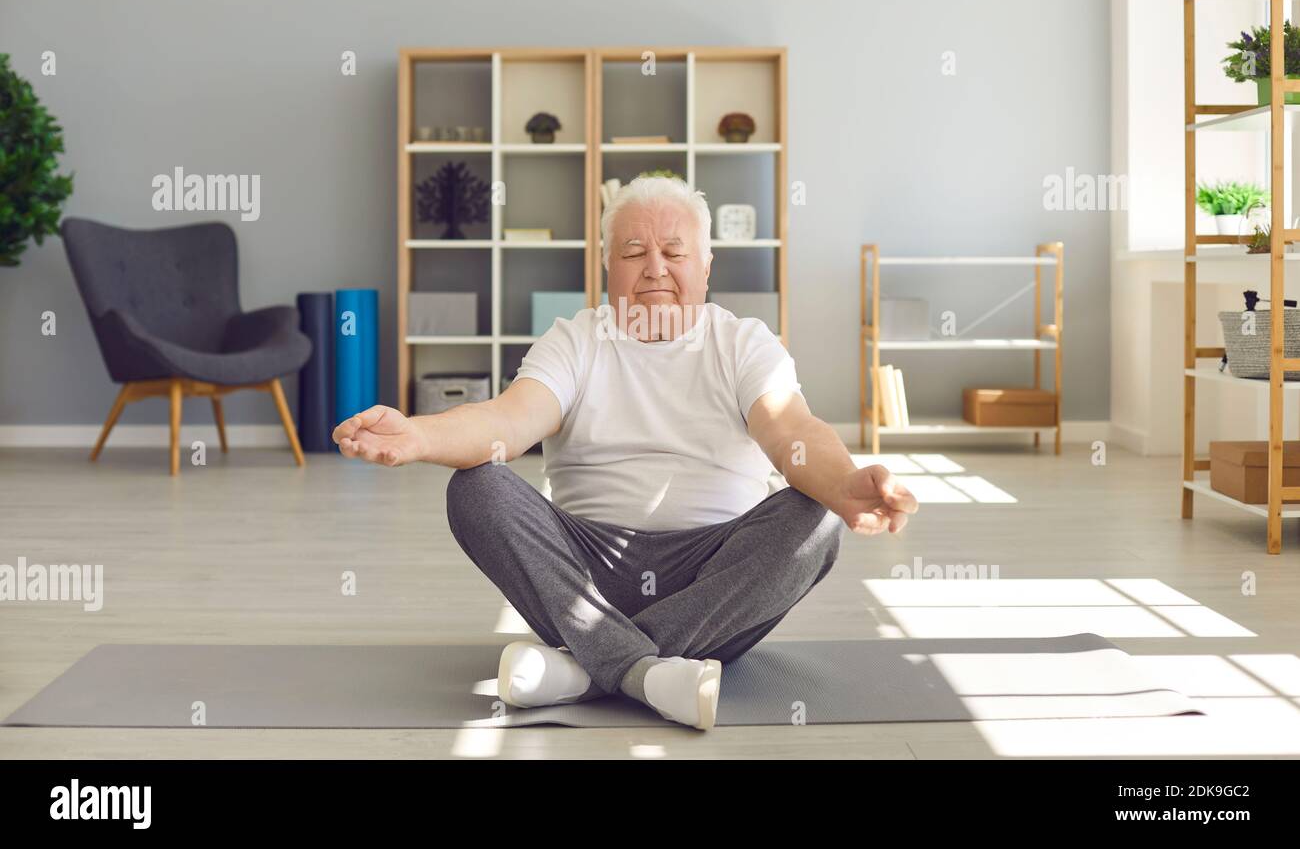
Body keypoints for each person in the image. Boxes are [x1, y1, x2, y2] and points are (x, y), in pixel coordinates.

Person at [334, 174, 918, 729]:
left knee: (813, 517)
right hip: (583, 573)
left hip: (713, 582)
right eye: (635, 252)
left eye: (674, 251)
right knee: (476, 486)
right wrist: (421, 435)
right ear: (608, 265)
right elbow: (507, 421)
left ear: (706, 266)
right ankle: (648, 673)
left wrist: (843, 484)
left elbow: (790, 427)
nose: (655, 269)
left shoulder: (743, 343)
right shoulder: (576, 340)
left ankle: (585, 669)